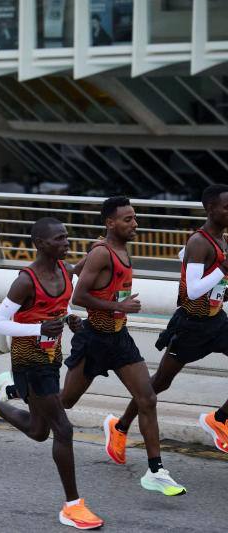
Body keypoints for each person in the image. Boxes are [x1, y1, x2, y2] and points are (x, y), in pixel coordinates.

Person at [0, 218, 103, 530]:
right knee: (63, 430)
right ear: (40, 244)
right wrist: (38, 328)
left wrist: (71, 320)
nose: (66, 243)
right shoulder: (25, 281)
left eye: (67, 237)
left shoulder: (65, 271)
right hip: (28, 361)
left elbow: (58, 308)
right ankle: (72, 506)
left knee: (38, 430)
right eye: (59, 239)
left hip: (51, 357)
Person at [61, 196, 185, 496]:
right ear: (110, 223)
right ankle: (12, 388)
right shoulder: (102, 253)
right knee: (63, 402)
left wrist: (119, 309)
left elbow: (76, 272)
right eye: (128, 219)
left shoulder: (114, 250)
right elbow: (79, 296)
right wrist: (122, 305)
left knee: (148, 398)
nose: (135, 224)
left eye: (134, 217)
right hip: (93, 340)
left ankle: (156, 471)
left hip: (119, 339)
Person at [111, 184, 228, 454]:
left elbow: (212, 287)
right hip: (191, 327)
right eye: (226, 207)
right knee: (159, 383)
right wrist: (222, 268)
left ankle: (219, 419)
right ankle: (120, 426)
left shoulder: (221, 240)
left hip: (216, 321)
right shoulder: (199, 242)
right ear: (210, 209)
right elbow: (192, 289)